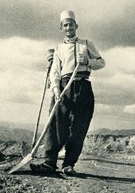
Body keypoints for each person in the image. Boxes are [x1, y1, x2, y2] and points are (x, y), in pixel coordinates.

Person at [30, 10, 105, 175]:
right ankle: (49, 163)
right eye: (65, 25)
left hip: (83, 86)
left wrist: (89, 61)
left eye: (71, 24)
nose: (68, 27)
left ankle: (68, 164)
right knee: (56, 123)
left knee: (80, 127)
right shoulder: (58, 49)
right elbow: (55, 72)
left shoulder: (86, 44)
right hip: (64, 86)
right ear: (61, 28)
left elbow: (101, 63)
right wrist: (56, 90)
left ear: (76, 26)